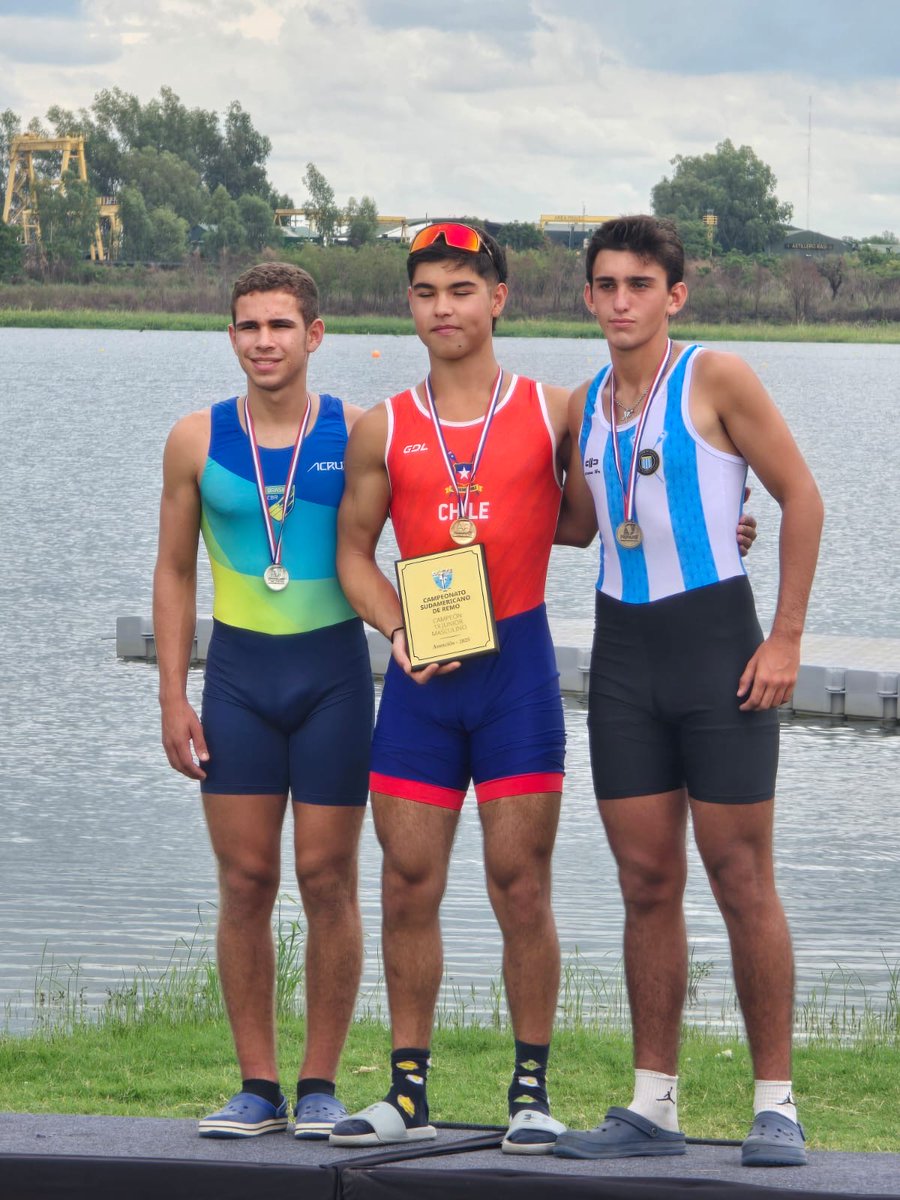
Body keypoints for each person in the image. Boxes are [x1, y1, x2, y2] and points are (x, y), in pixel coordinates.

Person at [551, 216, 823, 1168]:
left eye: (639, 284)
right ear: (586, 298)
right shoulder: (585, 402)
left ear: (676, 294)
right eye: (605, 285)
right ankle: (653, 1106)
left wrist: (785, 636)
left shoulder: (717, 377)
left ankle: (777, 1105)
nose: (621, 300)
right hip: (623, 658)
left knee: (741, 879)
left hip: (718, 652)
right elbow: (578, 526)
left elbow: (802, 497)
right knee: (645, 882)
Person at [331, 223, 573, 1155]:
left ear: (499, 298)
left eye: (463, 290)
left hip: (515, 670)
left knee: (521, 885)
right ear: (411, 305)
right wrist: (395, 628)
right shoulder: (382, 425)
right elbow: (352, 554)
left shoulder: (553, 410)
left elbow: (606, 518)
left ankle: (529, 1093)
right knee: (405, 884)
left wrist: (733, 527)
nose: (444, 308)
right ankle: (406, 1092)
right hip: (424, 683)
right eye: (427, 292)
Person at [153, 262, 373, 1140]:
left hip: (333, 678)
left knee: (328, 878)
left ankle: (320, 1083)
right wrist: (174, 695)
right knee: (246, 880)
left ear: (314, 335)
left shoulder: (357, 432)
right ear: (232, 336)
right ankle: (258, 1085)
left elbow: (444, 519)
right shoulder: (194, 441)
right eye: (248, 327)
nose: (264, 342)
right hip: (239, 679)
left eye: (280, 326)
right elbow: (172, 572)